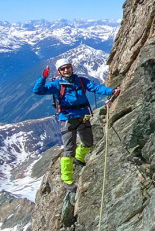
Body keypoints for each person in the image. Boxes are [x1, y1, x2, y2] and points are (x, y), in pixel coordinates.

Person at [33, 58, 120, 190]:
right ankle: (67, 179)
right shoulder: (57, 85)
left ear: (71, 67)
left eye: (68, 67)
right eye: (63, 68)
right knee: (69, 150)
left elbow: (95, 87)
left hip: (83, 117)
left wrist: (111, 91)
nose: (66, 70)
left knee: (88, 142)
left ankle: (79, 159)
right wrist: (43, 77)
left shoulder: (80, 81)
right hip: (67, 119)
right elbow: (38, 90)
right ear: (59, 71)